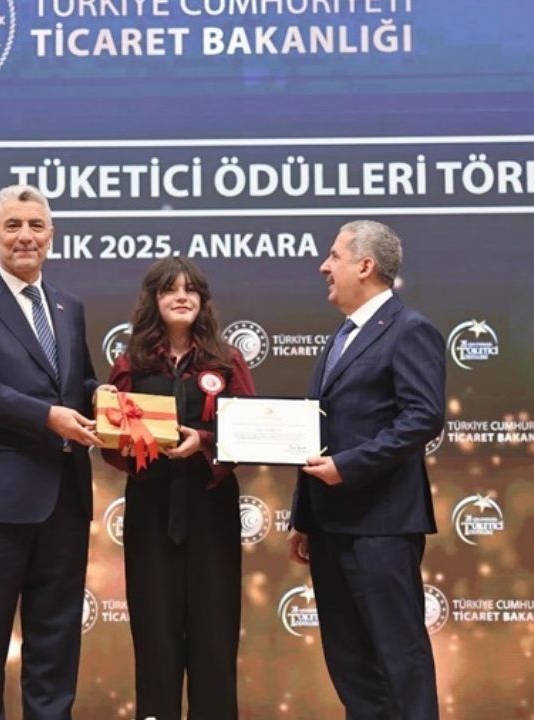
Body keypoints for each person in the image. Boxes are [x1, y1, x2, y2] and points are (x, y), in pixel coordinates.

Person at [0, 185, 102, 720]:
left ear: (51, 236)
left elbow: (78, 383)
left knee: (56, 644)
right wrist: (48, 417)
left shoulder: (69, 306)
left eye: (35, 225)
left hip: (64, 500)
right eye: (12, 225)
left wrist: (107, 400)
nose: (25, 236)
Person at [287, 219, 445, 719]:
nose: (324, 266)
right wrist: (304, 516)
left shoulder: (410, 329)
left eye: (334, 255)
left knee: (399, 659)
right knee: (350, 664)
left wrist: (348, 467)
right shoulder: (342, 337)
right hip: (329, 527)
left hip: (382, 527)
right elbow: (320, 429)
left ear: (365, 265)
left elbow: (423, 417)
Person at [100, 257, 255, 720]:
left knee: (214, 635)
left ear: (203, 301)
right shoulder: (129, 363)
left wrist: (203, 442)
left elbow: (250, 430)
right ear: (154, 300)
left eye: (191, 290)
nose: (181, 297)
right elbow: (110, 441)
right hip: (151, 511)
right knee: (155, 636)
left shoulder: (227, 360)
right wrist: (137, 448)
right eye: (170, 289)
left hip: (212, 511)